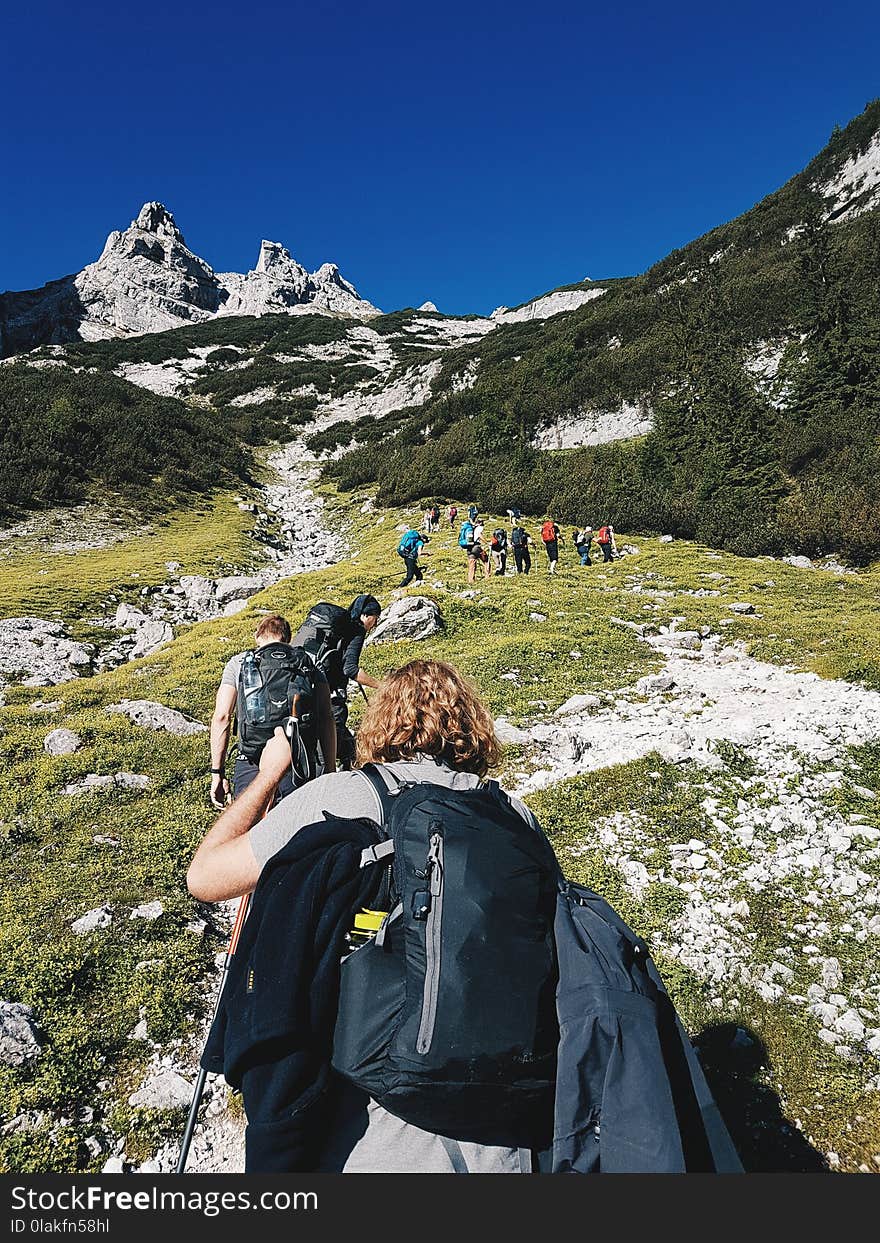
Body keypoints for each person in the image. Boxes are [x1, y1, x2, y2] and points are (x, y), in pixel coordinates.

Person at [188, 659, 548, 1172]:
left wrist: (268, 775)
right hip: (506, 1121)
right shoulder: (512, 815)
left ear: (382, 722)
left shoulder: (351, 794)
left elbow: (204, 876)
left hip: (375, 1116)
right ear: (473, 726)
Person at [209, 614, 336, 807]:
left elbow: (222, 717)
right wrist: (330, 768)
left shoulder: (239, 663)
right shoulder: (307, 662)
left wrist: (217, 774)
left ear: (257, 636)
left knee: (248, 824)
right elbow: (326, 716)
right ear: (287, 638)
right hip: (296, 760)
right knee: (295, 828)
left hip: (251, 758)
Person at [290, 595, 383, 771]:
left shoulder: (334, 630)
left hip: (306, 688)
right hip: (331, 698)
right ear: (366, 615)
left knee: (337, 742)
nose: (374, 624)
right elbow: (351, 670)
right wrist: (382, 686)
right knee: (328, 747)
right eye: (375, 619)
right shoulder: (356, 630)